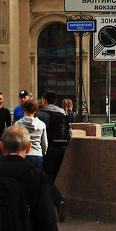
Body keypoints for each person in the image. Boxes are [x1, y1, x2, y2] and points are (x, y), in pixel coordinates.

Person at [37, 91, 71, 220]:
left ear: (44, 101)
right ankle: (49, 207)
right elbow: (70, 132)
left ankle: (58, 202)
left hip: (48, 149)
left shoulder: (42, 114)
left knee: (46, 180)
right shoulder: (63, 113)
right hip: (61, 149)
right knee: (50, 179)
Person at [14, 98, 46, 168]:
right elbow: (44, 144)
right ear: (35, 111)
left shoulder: (18, 124)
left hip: (23, 155)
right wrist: (43, 153)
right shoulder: (42, 124)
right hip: (38, 155)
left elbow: (15, 142)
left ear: (24, 110)